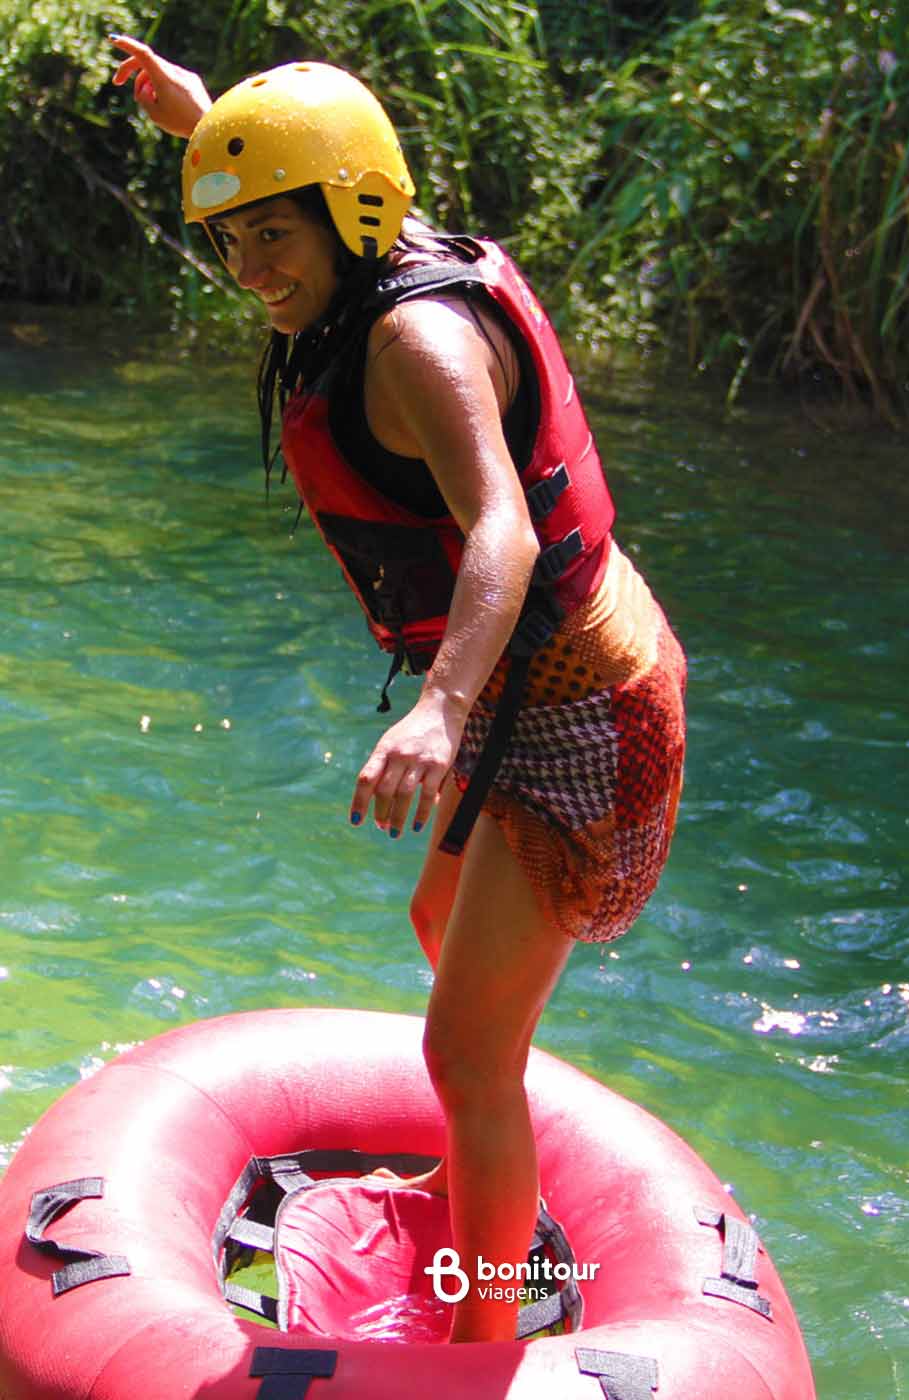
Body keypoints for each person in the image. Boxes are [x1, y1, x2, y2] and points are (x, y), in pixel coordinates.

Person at [111, 38, 687, 1345]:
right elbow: (323, 170)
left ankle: (487, 1337)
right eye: (233, 237)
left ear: (345, 210)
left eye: (274, 236)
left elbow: (504, 534)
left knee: (464, 1051)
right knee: (444, 923)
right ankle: (472, 1181)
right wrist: (205, 128)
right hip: (535, 686)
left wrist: (435, 708)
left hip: (581, 706)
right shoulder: (369, 249)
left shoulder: (416, 338)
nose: (252, 270)